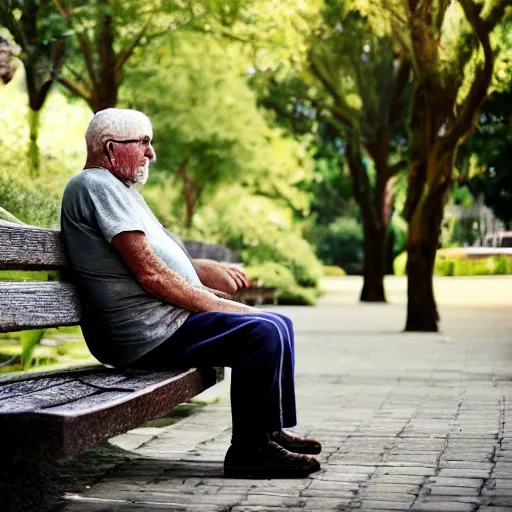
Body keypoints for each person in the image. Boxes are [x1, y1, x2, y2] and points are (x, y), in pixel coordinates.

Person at [60, 108, 321, 478]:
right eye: (144, 143)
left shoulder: (122, 191)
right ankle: (250, 451)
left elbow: (157, 255)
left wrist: (203, 270)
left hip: (163, 321)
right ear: (110, 148)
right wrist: (217, 303)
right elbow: (151, 274)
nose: (151, 154)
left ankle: (267, 429)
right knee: (261, 332)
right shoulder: (93, 186)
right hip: (143, 331)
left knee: (278, 323)